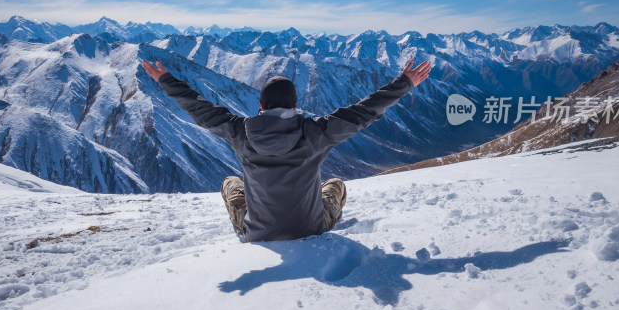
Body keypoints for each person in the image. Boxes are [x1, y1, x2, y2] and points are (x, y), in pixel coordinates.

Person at [142, 58, 431, 242]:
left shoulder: (238, 132)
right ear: (295, 106)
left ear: (261, 107)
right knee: (335, 185)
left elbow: (199, 108)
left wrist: (165, 80)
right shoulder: (316, 132)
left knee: (231, 183)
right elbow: (363, 112)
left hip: (258, 232)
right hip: (311, 228)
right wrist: (404, 83)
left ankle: (248, 220)